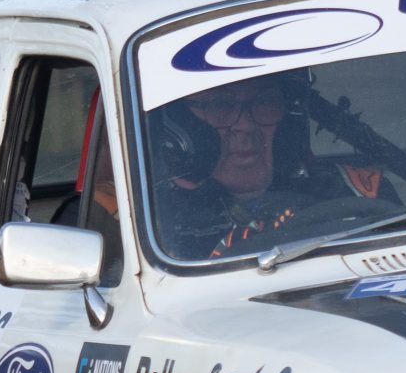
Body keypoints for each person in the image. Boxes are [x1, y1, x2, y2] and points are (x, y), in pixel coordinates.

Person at [152, 75, 388, 260]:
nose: (245, 124)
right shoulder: (145, 221)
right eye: (219, 104)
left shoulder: (358, 191)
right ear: (180, 125)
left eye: (263, 102)